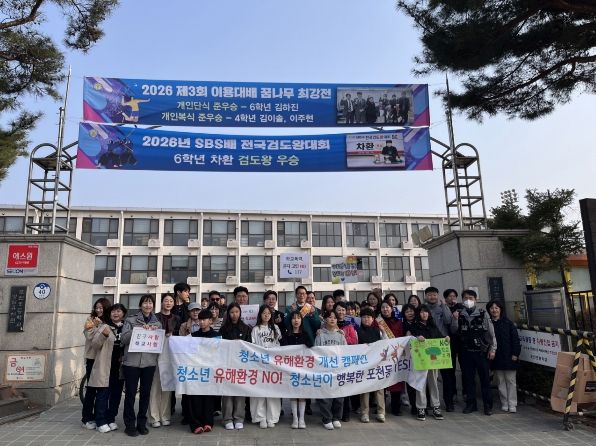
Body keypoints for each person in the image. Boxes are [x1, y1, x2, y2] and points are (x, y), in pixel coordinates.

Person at [121, 295, 162, 437]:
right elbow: (124, 339)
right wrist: (138, 330)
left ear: (153, 306)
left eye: (150, 303)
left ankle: (141, 423)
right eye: (145, 302)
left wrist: (154, 331)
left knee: (145, 394)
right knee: (130, 394)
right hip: (132, 363)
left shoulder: (157, 323)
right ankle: (129, 425)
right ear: (140, 305)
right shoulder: (130, 320)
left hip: (149, 363)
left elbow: (159, 343)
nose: (148, 305)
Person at [453, 289, 497, 416]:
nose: (468, 300)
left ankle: (488, 406)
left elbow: (491, 333)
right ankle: (471, 405)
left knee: (485, 380)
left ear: (476, 299)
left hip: (481, 352)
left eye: (471, 298)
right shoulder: (458, 314)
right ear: (462, 300)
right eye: (465, 298)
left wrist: (493, 349)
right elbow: (454, 330)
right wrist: (455, 319)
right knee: (468, 380)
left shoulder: (483, 313)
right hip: (466, 352)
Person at [88, 303, 127, 433]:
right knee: (103, 394)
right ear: (109, 314)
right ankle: (101, 421)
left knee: (116, 394)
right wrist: (103, 335)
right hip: (105, 365)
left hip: (119, 367)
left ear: (123, 314)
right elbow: (95, 345)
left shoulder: (126, 327)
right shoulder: (104, 326)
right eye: (113, 311)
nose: (116, 313)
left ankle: (111, 419)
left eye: (119, 311)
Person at [409, 304, 449, 421]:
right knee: (420, 384)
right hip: (420, 360)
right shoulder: (414, 326)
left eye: (426, 312)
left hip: (433, 361)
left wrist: (445, 338)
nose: (424, 314)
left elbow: (440, 338)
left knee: (434, 383)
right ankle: (421, 407)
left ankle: (436, 406)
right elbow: (409, 340)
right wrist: (416, 338)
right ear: (418, 314)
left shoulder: (433, 325)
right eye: (421, 312)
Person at [185, 309, 220, 434]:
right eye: (200, 320)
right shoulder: (193, 336)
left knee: (208, 397)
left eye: (204, 319)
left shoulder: (216, 336)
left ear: (210, 321)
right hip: (196, 371)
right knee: (195, 397)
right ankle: (195, 424)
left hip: (210, 371)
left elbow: (219, 353)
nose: (201, 322)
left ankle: (208, 422)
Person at [220, 303, 252, 430]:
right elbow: (220, 346)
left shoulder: (246, 328)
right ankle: (227, 418)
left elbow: (249, 346)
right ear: (228, 314)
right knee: (227, 392)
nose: (234, 314)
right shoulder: (223, 329)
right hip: (227, 363)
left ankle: (238, 418)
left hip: (241, 364)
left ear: (240, 313)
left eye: (237, 312)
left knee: (240, 391)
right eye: (232, 312)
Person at [149, 294, 180, 428]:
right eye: (166, 300)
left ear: (173, 303)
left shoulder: (177, 318)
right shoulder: (154, 317)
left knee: (167, 385)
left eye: (171, 301)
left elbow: (180, 335)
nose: (168, 303)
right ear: (161, 303)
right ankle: (154, 417)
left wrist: (173, 335)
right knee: (155, 386)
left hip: (170, 354)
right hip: (156, 353)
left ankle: (165, 415)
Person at [424, 286, 456, 411]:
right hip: (428, 345)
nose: (432, 297)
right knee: (428, 376)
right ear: (426, 296)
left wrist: (444, 306)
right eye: (429, 295)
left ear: (438, 296)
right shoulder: (423, 309)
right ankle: (429, 403)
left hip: (443, 344)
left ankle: (449, 403)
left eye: (434, 294)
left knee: (447, 376)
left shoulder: (443, 307)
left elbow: (448, 321)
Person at [81, 297, 111, 430]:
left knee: (102, 389)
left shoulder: (109, 320)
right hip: (92, 358)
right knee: (91, 389)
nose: (98, 310)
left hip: (105, 359)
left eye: (101, 308)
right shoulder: (90, 320)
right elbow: (89, 336)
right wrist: (97, 325)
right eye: (97, 307)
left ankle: (98, 416)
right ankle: (86, 418)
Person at [487, 299, 520, 413]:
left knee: (511, 381)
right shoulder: (488, 323)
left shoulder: (508, 323)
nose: (494, 310)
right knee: (500, 381)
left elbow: (515, 339)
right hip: (496, 357)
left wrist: (515, 353)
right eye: (492, 308)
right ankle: (504, 402)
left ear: (501, 309)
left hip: (509, 356)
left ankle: (512, 404)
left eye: (496, 308)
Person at [251, 304, 282, 428]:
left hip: (273, 363)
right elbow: (252, 345)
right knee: (259, 391)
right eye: (264, 313)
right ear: (260, 315)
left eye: (268, 313)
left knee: (273, 391)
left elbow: (279, 344)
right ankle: (261, 417)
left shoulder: (275, 328)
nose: (266, 315)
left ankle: (272, 418)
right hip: (259, 363)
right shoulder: (256, 329)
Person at [316, 310, 346, 430]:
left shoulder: (341, 335)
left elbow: (346, 352)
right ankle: (327, 418)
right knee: (325, 396)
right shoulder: (320, 335)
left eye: (334, 317)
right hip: (324, 369)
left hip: (338, 369)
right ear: (325, 320)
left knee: (339, 395)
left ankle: (336, 418)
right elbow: (316, 352)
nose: (332, 319)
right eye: (329, 317)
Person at [281, 311, 311, 428]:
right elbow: (282, 350)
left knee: (302, 393)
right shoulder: (286, 335)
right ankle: (295, 419)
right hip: (291, 369)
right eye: (293, 318)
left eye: (298, 318)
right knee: (293, 393)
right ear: (290, 321)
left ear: (301, 320)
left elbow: (311, 346)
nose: (296, 320)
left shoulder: (305, 334)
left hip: (303, 369)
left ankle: (302, 419)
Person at [357, 308, 386, 423]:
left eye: (368, 317)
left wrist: (384, 332)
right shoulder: (357, 330)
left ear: (373, 319)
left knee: (379, 388)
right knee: (364, 389)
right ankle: (364, 413)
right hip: (363, 364)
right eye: (364, 317)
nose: (366, 319)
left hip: (377, 363)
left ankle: (381, 412)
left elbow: (386, 343)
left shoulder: (378, 330)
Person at [377, 301, 404, 416]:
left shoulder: (398, 322)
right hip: (381, 355)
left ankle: (395, 407)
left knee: (396, 381)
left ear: (392, 308)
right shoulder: (377, 322)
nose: (385, 309)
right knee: (381, 381)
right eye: (383, 307)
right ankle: (380, 408)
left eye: (387, 307)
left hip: (396, 355)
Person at [444, 288, 464, 404]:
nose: (452, 298)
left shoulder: (460, 307)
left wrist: (457, 307)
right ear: (445, 298)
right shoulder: (444, 308)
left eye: (454, 296)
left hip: (460, 341)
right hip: (448, 342)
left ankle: (465, 393)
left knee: (464, 368)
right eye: (450, 296)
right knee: (450, 370)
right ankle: (453, 393)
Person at [401, 303, 418, 414]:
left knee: (421, 381)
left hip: (419, 357)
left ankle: (424, 405)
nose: (410, 313)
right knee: (410, 382)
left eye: (411, 311)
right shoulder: (402, 325)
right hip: (407, 357)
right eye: (407, 312)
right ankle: (414, 406)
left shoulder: (419, 323)